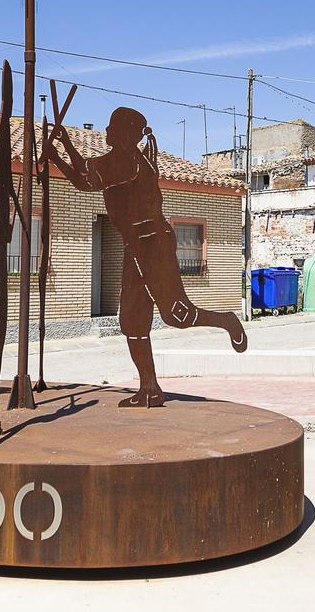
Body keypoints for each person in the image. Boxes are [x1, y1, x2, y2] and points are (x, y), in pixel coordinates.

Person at [45, 107, 247, 407]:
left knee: (176, 314)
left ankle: (227, 321)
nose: (107, 130)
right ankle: (150, 389)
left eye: (112, 125)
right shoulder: (124, 158)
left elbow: (86, 180)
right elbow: (88, 171)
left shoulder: (126, 160)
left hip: (152, 244)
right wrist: (64, 146)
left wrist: (57, 154)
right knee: (134, 321)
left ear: (125, 133)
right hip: (136, 246)